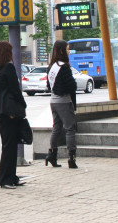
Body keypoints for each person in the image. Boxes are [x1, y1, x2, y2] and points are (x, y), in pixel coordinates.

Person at [0, 40, 27, 189]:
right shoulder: (9, 68)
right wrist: (23, 104)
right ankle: (5, 179)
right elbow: (15, 89)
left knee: (9, 146)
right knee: (9, 147)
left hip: (0, 112)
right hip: (9, 113)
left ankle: (11, 177)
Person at [45, 40, 78, 169]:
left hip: (53, 101)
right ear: (62, 50)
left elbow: (49, 86)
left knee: (57, 128)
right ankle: (71, 158)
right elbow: (71, 86)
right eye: (67, 49)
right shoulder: (64, 67)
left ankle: (52, 154)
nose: (69, 51)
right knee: (70, 129)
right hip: (64, 101)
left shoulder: (51, 67)